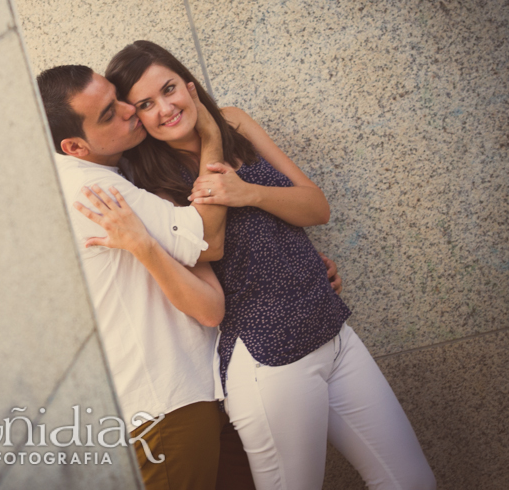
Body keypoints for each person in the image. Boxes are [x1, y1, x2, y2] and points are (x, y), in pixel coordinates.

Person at [103, 40, 436, 490]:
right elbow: (211, 245)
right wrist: (212, 143)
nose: (165, 108)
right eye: (145, 104)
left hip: (330, 329)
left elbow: (316, 207)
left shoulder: (235, 120)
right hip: (268, 358)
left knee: (412, 481)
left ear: (188, 84)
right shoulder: (148, 182)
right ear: (135, 116)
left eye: (169, 89)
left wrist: (250, 192)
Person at [37, 65, 338, 489]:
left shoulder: (117, 175)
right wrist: (213, 137)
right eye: (110, 113)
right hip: (164, 405)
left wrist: (293, 268)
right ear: (75, 146)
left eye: (122, 99)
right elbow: (205, 242)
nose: (130, 111)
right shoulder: (96, 190)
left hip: (204, 389)